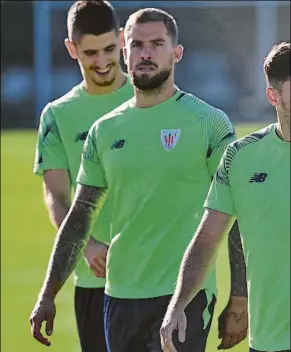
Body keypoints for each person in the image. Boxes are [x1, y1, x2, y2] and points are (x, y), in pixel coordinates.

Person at [30, 7, 248, 352]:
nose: (146, 53)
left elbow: (237, 213)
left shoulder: (210, 123)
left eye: (157, 44)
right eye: (137, 44)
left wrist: (239, 296)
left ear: (176, 52)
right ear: (125, 50)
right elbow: (81, 215)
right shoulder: (104, 131)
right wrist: (48, 292)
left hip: (187, 294)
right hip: (121, 295)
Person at [160, 42, 290, 352]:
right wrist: (177, 304)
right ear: (273, 96)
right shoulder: (240, 157)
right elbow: (207, 239)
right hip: (270, 339)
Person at [31, 1, 133, 351]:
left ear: (122, 39)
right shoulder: (57, 116)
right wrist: (87, 246)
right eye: (90, 53)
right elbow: (56, 196)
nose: (103, 61)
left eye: (109, 49)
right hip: (95, 281)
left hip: (159, 274)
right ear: (71, 48)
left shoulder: (150, 97)